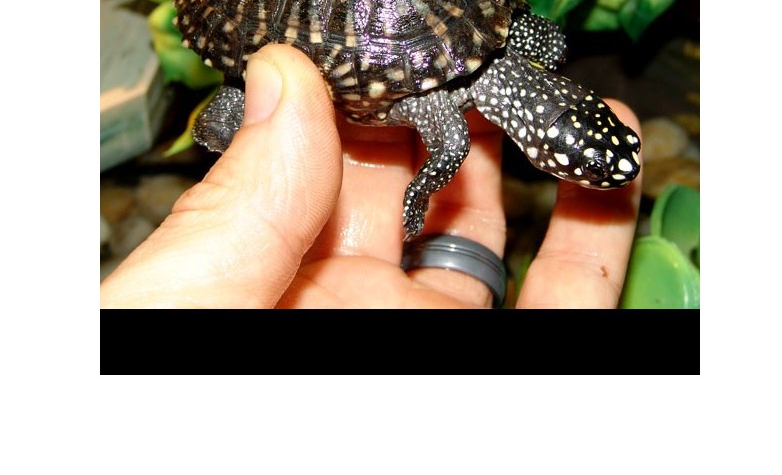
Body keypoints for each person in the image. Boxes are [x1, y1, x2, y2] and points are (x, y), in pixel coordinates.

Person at [100, 45, 642, 309]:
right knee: (222, 121)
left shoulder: (503, 60)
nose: (605, 177)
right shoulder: (484, 81)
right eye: (591, 168)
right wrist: (418, 195)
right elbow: (450, 144)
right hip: (303, 30)